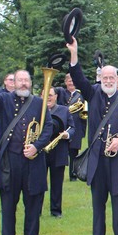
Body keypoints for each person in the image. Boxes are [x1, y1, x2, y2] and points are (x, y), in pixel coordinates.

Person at [68, 40, 118, 235]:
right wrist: (74, 54)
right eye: (105, 77)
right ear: (100, 78)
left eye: (112, 78)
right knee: (98, 207)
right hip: (98, 161)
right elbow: (78, 78)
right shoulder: (93, 93)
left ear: (117, 80)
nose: (108, 81)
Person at [0, 67, 54, 235]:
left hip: (33, 161)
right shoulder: (3, 99)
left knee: (33, 204)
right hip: (10, 162)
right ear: (13, 82)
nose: (23, 83)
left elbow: (48, 127)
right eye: (20, 80)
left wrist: (36, 146)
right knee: (8, 204)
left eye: (26, 80)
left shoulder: (39, 102)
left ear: (30, 83)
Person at [44, 87, 74, 218]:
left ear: (56, 96)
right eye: (45, 95)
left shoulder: (64, 110)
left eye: (50, 95)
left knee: (57, 183)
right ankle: (36, 210)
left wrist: (67, 134)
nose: (48, 97)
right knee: (38, 183)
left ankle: (56, 211)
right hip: (41, 151)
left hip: (59, 151)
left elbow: (72, 127)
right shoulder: (38, 109)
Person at [61, 73, 86, 181]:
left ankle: (73, 174)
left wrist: (83, 131)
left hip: (76, 126)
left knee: (74, 152)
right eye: (69, 81)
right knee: (62, 152)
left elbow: (84, 115)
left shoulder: (81, 95)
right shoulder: (62, 94)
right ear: (65, 82)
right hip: (64, 126)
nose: (71, 83)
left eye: (72, 80)